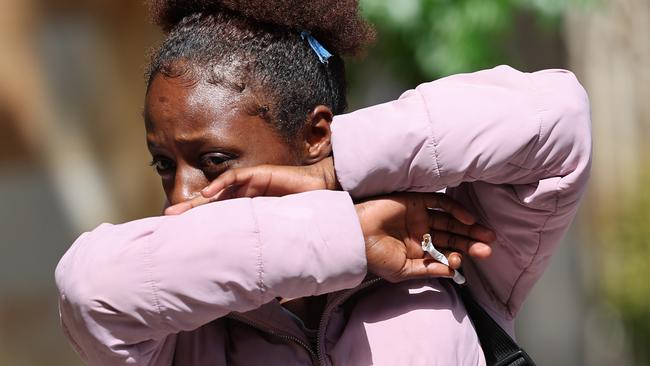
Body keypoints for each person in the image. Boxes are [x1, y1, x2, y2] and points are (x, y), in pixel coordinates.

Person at [55, 1, 592, 365]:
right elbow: (89, 291)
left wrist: (338, 166)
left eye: (214, 160)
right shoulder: (173, 332)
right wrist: (346, 240)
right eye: (165, 165)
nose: (181, 198)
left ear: (315, 134)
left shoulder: (446, 250)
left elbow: (556, 116)